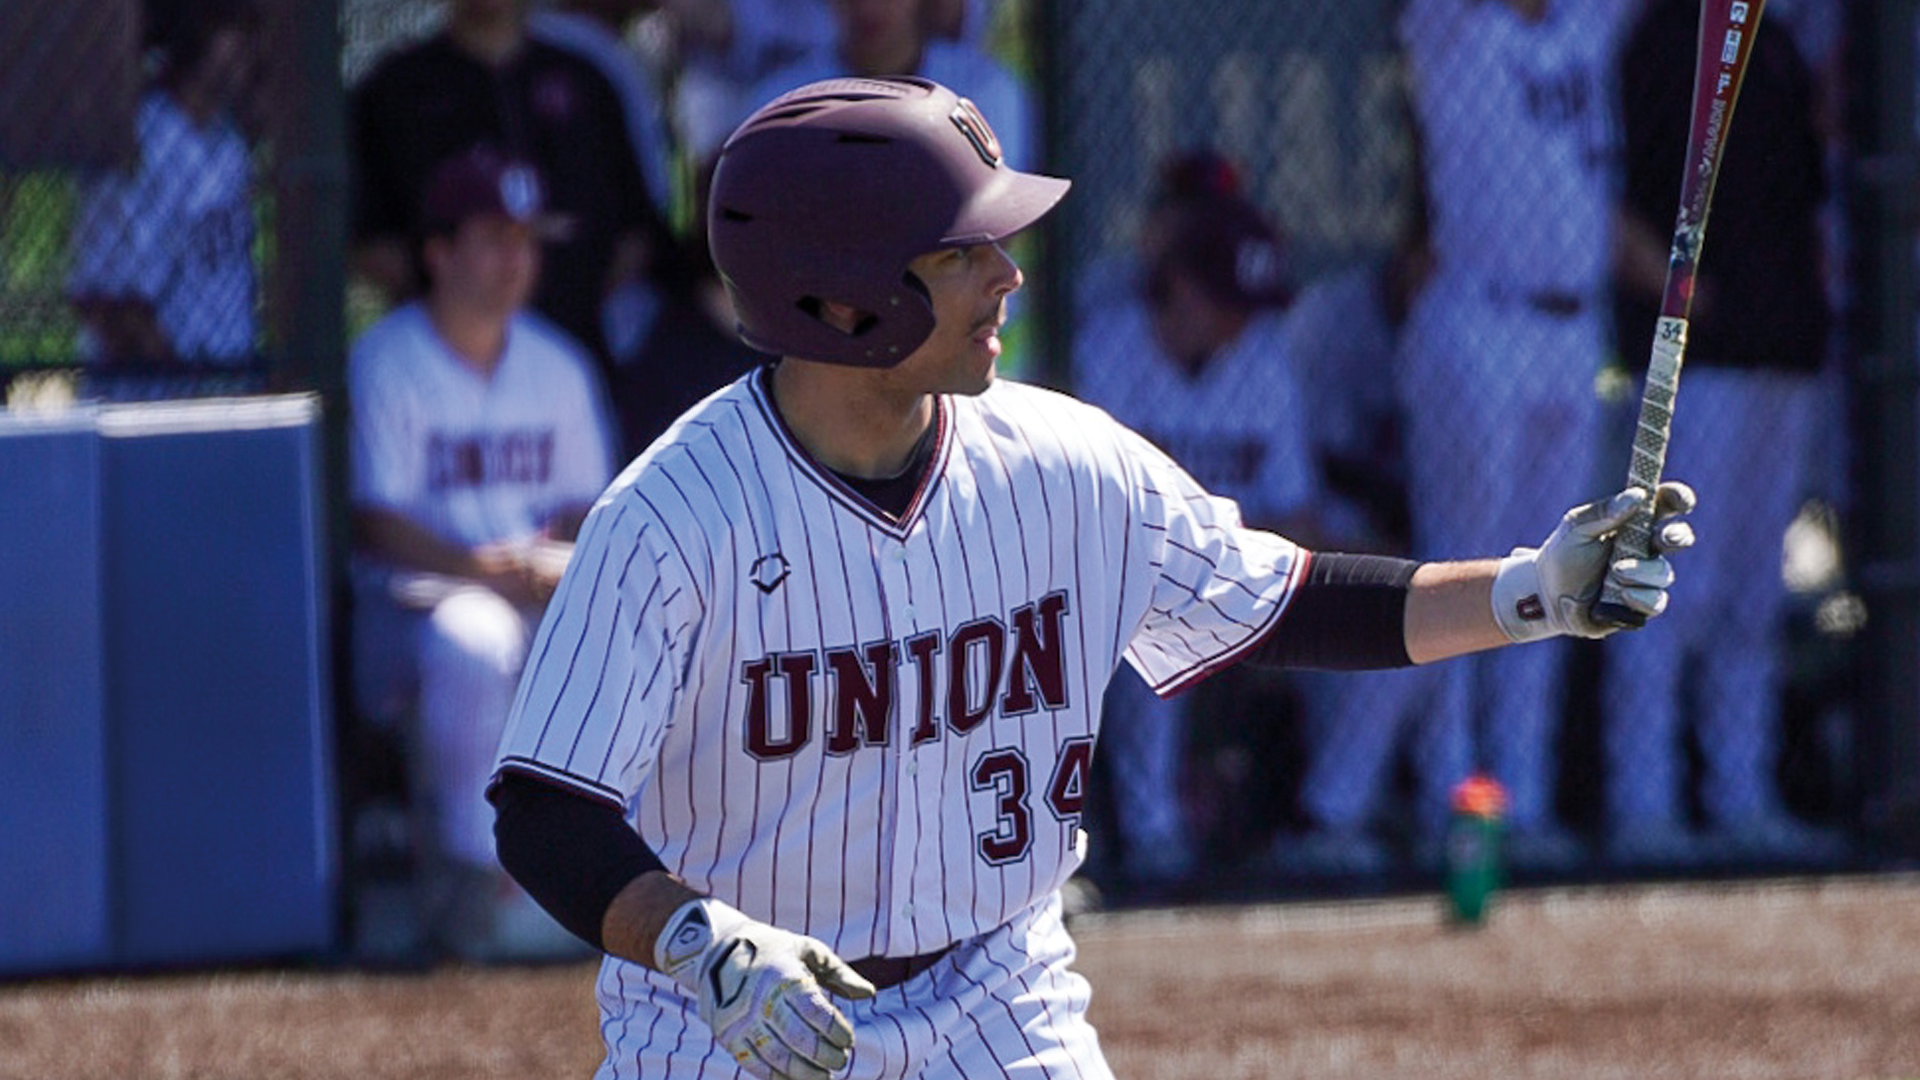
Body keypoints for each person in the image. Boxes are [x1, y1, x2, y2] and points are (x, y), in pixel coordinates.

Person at [485, 77, 1694, 1079]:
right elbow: (546, 811)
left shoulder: (1067, 465)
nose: (1009, 276)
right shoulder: (670, 518)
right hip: (737, 1029)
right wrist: (697, 942)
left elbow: (1291, 603)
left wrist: (1536, 590)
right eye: (966, 251)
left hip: (998, 1011)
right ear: (841, 295)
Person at [349, 146, 616, 963]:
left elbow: (590, 506)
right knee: (475, 640)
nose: (516, 261)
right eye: (495, 238)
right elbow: (374, 522)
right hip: (413, 612)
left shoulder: (556, 365)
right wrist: (484, 570)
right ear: (438, 252)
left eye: (527, 240)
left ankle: (624, 889)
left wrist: (549, 565)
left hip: (535, 597)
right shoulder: (386, 360)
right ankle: (468, 898)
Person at [1602, 0, 1845, 868]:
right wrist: (1681, 301)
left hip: (1785, 350)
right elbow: (1611, 189)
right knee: (1669, 590)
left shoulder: (1779, 44)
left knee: (1751, 594)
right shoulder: (1659, 38)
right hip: (1694, 364)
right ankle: (1644, 805)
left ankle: (1742, 796)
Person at [1394, 0, 1635, 869]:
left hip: (1574, 334)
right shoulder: (1457, 30)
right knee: (1458, 559)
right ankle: (1447, 799)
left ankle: (1521, 802)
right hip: (1476, 312)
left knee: (1559, 569)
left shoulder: (1580, 28)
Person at [1070, 155, 1321, 888]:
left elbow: (1298, 517)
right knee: (1153, 624)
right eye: (1226, 299)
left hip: (1225, 577)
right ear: (1179, 286)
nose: (1245, 319)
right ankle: (1152, 838)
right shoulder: (1102, 350)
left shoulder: (1263, 368)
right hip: (1107, 582)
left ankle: (1331, 821)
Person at [349, 0, 672, 382]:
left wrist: (574, 303)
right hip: (438, 364)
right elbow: (366, 241)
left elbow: (636, 232)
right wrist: (464, 308)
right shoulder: (395, 88)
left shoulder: (585, 78)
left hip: (579, 353)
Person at [67, 0, 262, 376]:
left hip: (230, 385)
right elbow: (105, 300)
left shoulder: (228, 141)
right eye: (232, 29)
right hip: (148, 403)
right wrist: (184, 381)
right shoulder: (139, 137)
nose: (246, 46)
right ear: (193, 37)